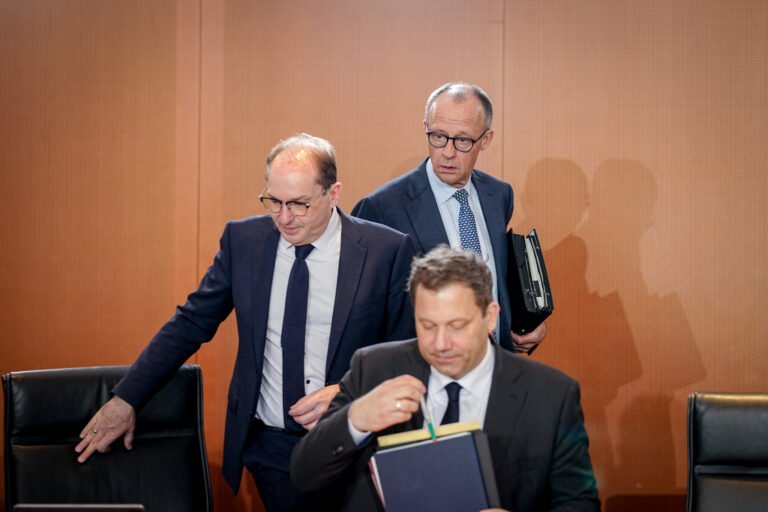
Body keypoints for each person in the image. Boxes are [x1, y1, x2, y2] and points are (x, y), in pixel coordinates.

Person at [74, 134, 417, 512]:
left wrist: (346, 390)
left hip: (356, 441)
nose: (284, 218)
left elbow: (406, 352)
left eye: (299, 204)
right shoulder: (245, 241)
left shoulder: (386, 250)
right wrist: (126, 398)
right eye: (274, 201)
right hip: (272, 447)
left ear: (333, 193)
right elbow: (191, 322)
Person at [290, 246, 600, 512]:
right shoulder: (373, 368)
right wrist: (354, 420)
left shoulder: (552, 394)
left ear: (490, 317)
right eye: (427, 325)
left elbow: (580, 502)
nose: (440, 344)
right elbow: (304, 476)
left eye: (456, 326)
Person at [351, 82, 547, 353]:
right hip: (424, 367)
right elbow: (361, 313)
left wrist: (526, 324)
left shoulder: (499, 195)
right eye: (438, 136)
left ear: (486, 139)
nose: (448, 152)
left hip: (496, 364)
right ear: (425, 128)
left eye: (463, 140)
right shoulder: (381, 208)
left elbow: (496, 278)